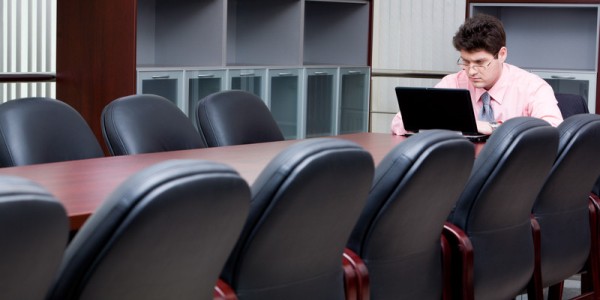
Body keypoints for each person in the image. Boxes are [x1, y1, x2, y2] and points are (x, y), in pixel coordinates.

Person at [391, 14, 563, 136]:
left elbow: (553, 131)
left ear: (502, 54)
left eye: (480, 63)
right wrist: (451, 126)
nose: (471, 71)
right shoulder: (453, 83)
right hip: (458, 166)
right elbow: (400, 123)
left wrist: (495, 128)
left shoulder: (531, 87)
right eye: (465, 62)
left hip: (513, 172)